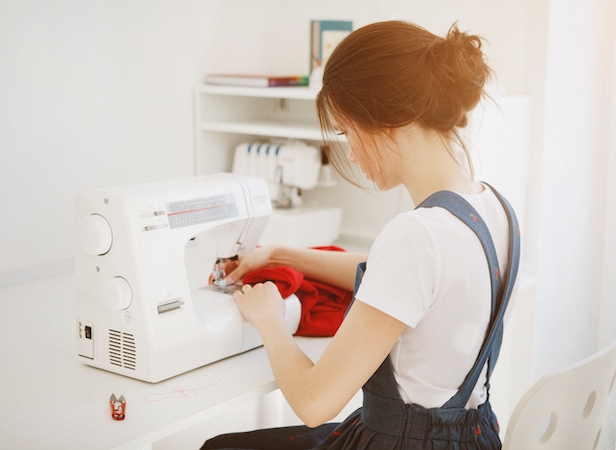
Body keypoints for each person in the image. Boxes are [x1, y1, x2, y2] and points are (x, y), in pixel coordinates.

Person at [201, 20, 520, 450]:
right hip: (473, 439)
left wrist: (270, 321)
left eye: (348, 132)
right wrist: (281, 254)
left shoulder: (416, 235)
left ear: (384, 120)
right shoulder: (495, 209)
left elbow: (315, 402)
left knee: (222, 446)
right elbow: (413, 283)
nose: (350, 152)